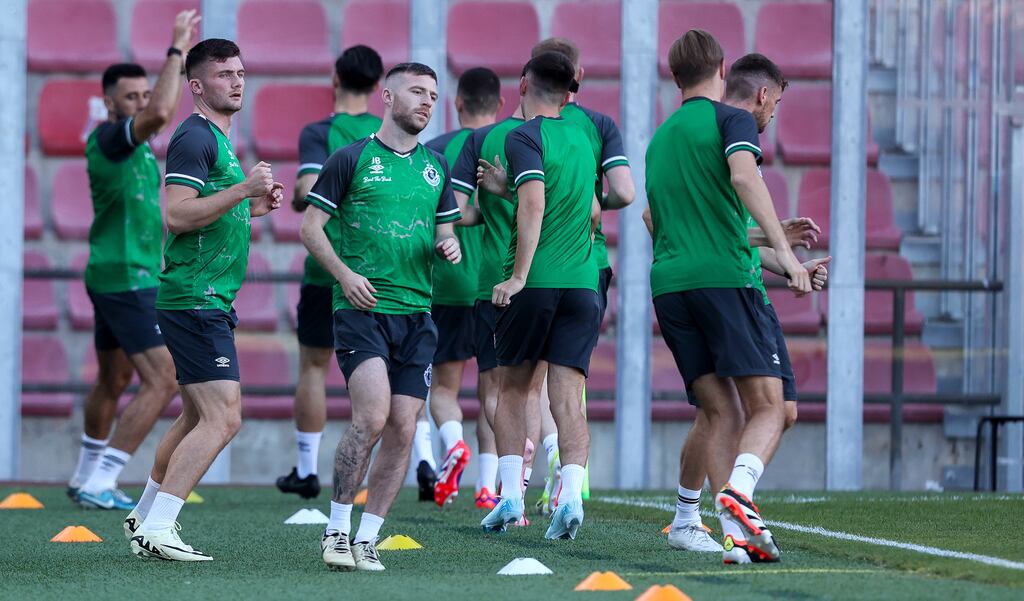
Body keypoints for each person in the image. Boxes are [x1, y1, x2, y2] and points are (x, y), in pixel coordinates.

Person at [646, 30, 811, 565]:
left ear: (674, 74)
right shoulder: (730, 119)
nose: (771, 115)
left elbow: (661, 219)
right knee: (773, 408)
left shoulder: (662, 137)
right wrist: (785, 254)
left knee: (719, 411)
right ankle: (739, 496)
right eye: (777, 104)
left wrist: (768, 238)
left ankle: (707, 525)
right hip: (726, 284)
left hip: (672, 287)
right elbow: (745, 177)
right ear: (721, 68)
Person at [126, 38, 284, 562]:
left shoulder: (214, 137)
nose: (237, 81)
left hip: (200, 296)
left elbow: (206, 213)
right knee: (224, 419)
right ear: (197, 86)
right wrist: (241, 192)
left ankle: (146, 514)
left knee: (197, 417)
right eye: (223, 75)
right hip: (196, 297)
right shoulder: (194, 137)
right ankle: (162, 524)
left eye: (240, 72)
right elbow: (176, 214)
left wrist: (251, 207)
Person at [301, 62, 462, 572]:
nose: (427, 103)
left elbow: (445, 232)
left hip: (418, 316)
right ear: (387, 96)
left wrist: (449, 245)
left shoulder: (436, 169)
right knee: (371, 416)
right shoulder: (350, 158)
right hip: (362, 310)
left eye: (434, 96)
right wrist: (344, 275)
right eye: (417, 92)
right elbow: (311, 227)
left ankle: (367, 538)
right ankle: (335, 531)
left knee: (403, 427)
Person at [71, 10, 199, 511]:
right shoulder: (111, 139)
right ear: (109, 103)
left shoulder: (137, 149)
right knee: (164, 378)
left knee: (113, 379)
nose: (142, 104)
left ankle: (84, 475)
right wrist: (176, 49)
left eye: (145, 94)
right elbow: (163, 114)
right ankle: (103, 480)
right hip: (127, 276)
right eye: (132, 97)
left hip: (116, 273)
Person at [479, 52, 600, 541]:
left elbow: (534, 202)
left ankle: (510, 498)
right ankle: (570, 498)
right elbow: (591, 210)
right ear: (571, 90)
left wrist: (519, 276)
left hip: (537, 281)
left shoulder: (523, 135)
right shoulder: (585, 135)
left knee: (512, 388)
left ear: (523, 82)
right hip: (584, 282)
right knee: (567, 396)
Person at [526, 37, 636, 514]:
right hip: (589, 265)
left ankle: (514, 486)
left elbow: (523, 200)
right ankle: (573, 480)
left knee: (524, 382)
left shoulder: (524, 130)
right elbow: (626, 193)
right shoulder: (598, 125)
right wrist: (597, 205)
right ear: (578, 78)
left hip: (534, 268)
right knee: (571, 377)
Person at [276, 45, 385, 501]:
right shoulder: (386, 133)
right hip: (383, 271)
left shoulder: (321, 132)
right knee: (390, 372)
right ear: (380, 88)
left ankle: (306, 470)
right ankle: (415, 464)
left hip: (327, 270)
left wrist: (313, 197)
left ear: (335, 80)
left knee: (314, 367)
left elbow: (303, 190)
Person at [449, 82, 542, 520]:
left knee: (496, 388)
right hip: (546, 278)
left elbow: (461, 209)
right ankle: (531, 486)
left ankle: (507, 486)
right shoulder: (566, 135)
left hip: (493, 280)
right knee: (535, 390)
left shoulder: (481, 140)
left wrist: (442, 225)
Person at [425, 67, 505, 510]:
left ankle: (453, 444)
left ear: (457, 104)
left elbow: (432, 218)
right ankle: (488, 487)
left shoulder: (436, 150)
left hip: (449, 282)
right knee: (494, 391)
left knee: (444, 389)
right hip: (496, 281)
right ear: (500, 106)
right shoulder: (509, 145)